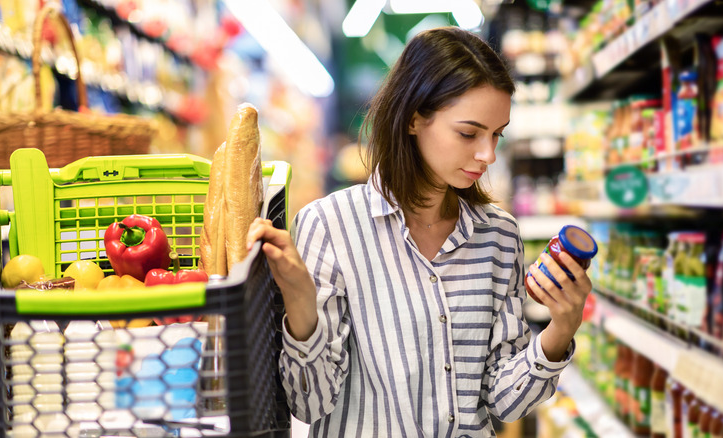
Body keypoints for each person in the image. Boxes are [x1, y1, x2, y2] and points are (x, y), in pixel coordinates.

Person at [246, 26, 592, 437]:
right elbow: (310, 403)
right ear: (413, 119)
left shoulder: (498, 235)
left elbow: (505, 400)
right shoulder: (331, 224)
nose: (488, 154)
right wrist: (301, 307)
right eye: (469, 133)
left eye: (497, 134)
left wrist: (560, 329)